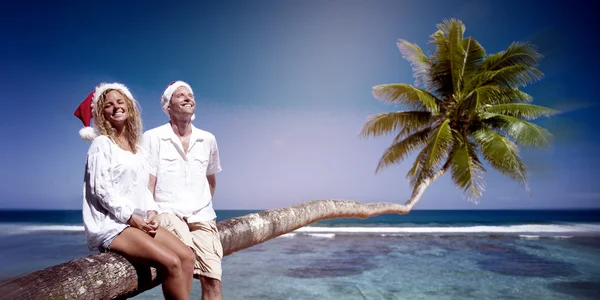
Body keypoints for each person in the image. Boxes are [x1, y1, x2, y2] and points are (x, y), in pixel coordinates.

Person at [74, 82, 195, 300]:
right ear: (102, 113)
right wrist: (131, 218)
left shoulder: (138, 149)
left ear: (129, 107)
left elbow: (143, 188)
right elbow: (102, 191)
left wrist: (151, 213)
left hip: (139, 222)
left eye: (120, 102)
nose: (116, 107)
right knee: (172, 263)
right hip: (114, 226)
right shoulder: (102, 144)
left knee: (187, 257)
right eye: (108, 105)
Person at [142, 81, 223, 300]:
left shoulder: (208, 139)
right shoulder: (152, 137)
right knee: (184, 263)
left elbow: (211, 179)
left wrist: (203, 204)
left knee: (213, 279)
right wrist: (150, 212)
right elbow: (147, 184)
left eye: (190, 95)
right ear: (168, 107)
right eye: (180, 96)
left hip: (202, 215)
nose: (188, 98)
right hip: (168, 212)